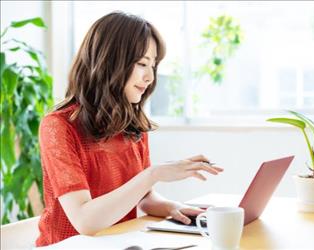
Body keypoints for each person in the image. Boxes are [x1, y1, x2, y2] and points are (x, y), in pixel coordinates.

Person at [35, 11, 223, 246]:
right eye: (142, 63)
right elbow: (85, 221)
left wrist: (176, 209)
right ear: (108, 62)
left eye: (153, 66)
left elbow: (144, 198)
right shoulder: (59, 126)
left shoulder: (132, 126)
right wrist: (153, 174)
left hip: (119, 243)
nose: (150, 77)